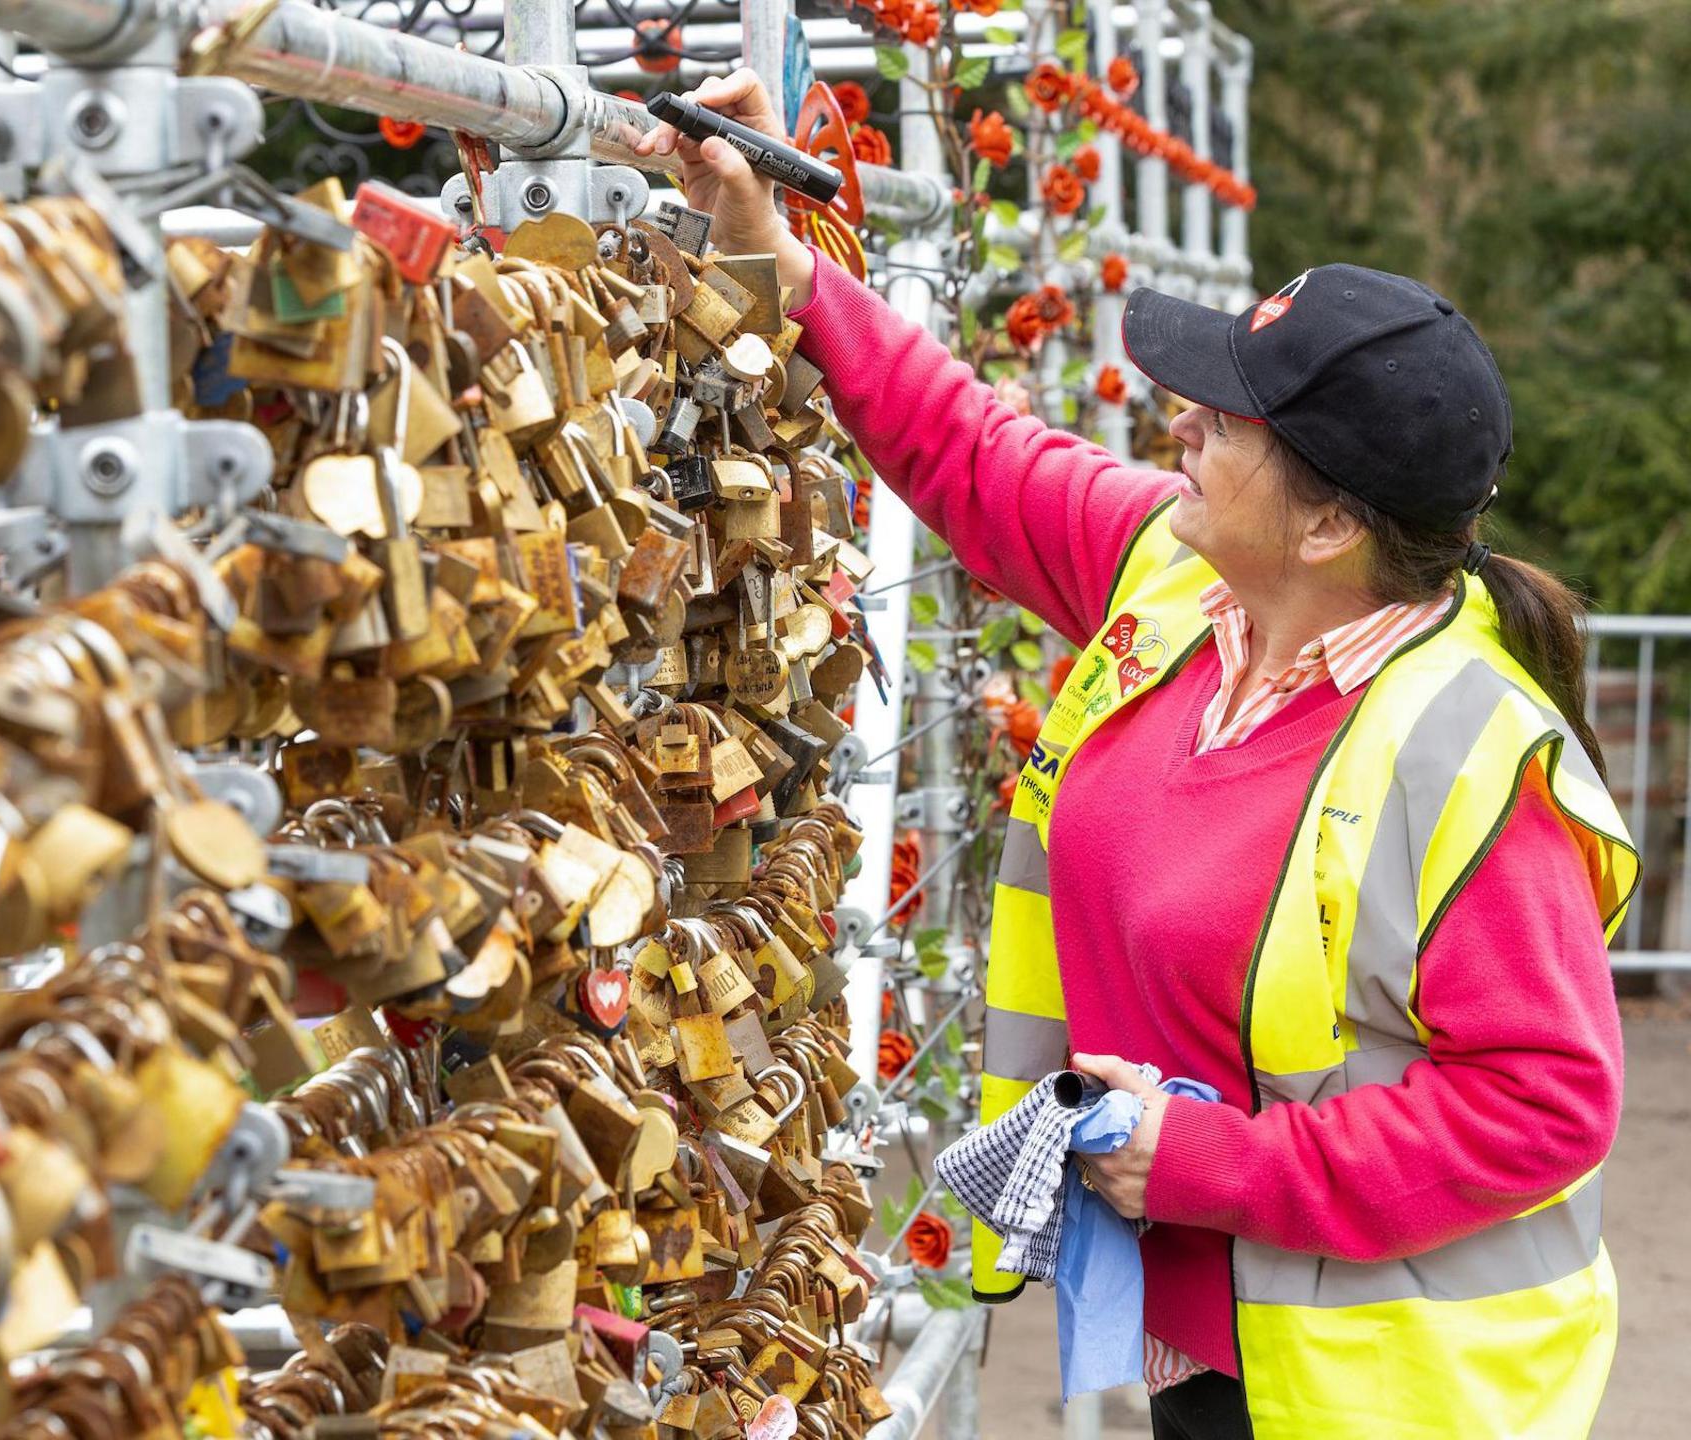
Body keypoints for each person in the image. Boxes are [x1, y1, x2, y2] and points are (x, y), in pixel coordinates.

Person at [639, 71, 1637, 1440]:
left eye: (1225, 423)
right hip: (1220, 1347)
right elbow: (972, 452)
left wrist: (1214, 1164)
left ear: (1331, 526)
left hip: (1393, 1392)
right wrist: (785, 267)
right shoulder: (1181, 582)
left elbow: (1545, 1100)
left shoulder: (1464, 751)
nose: (1180, 422)